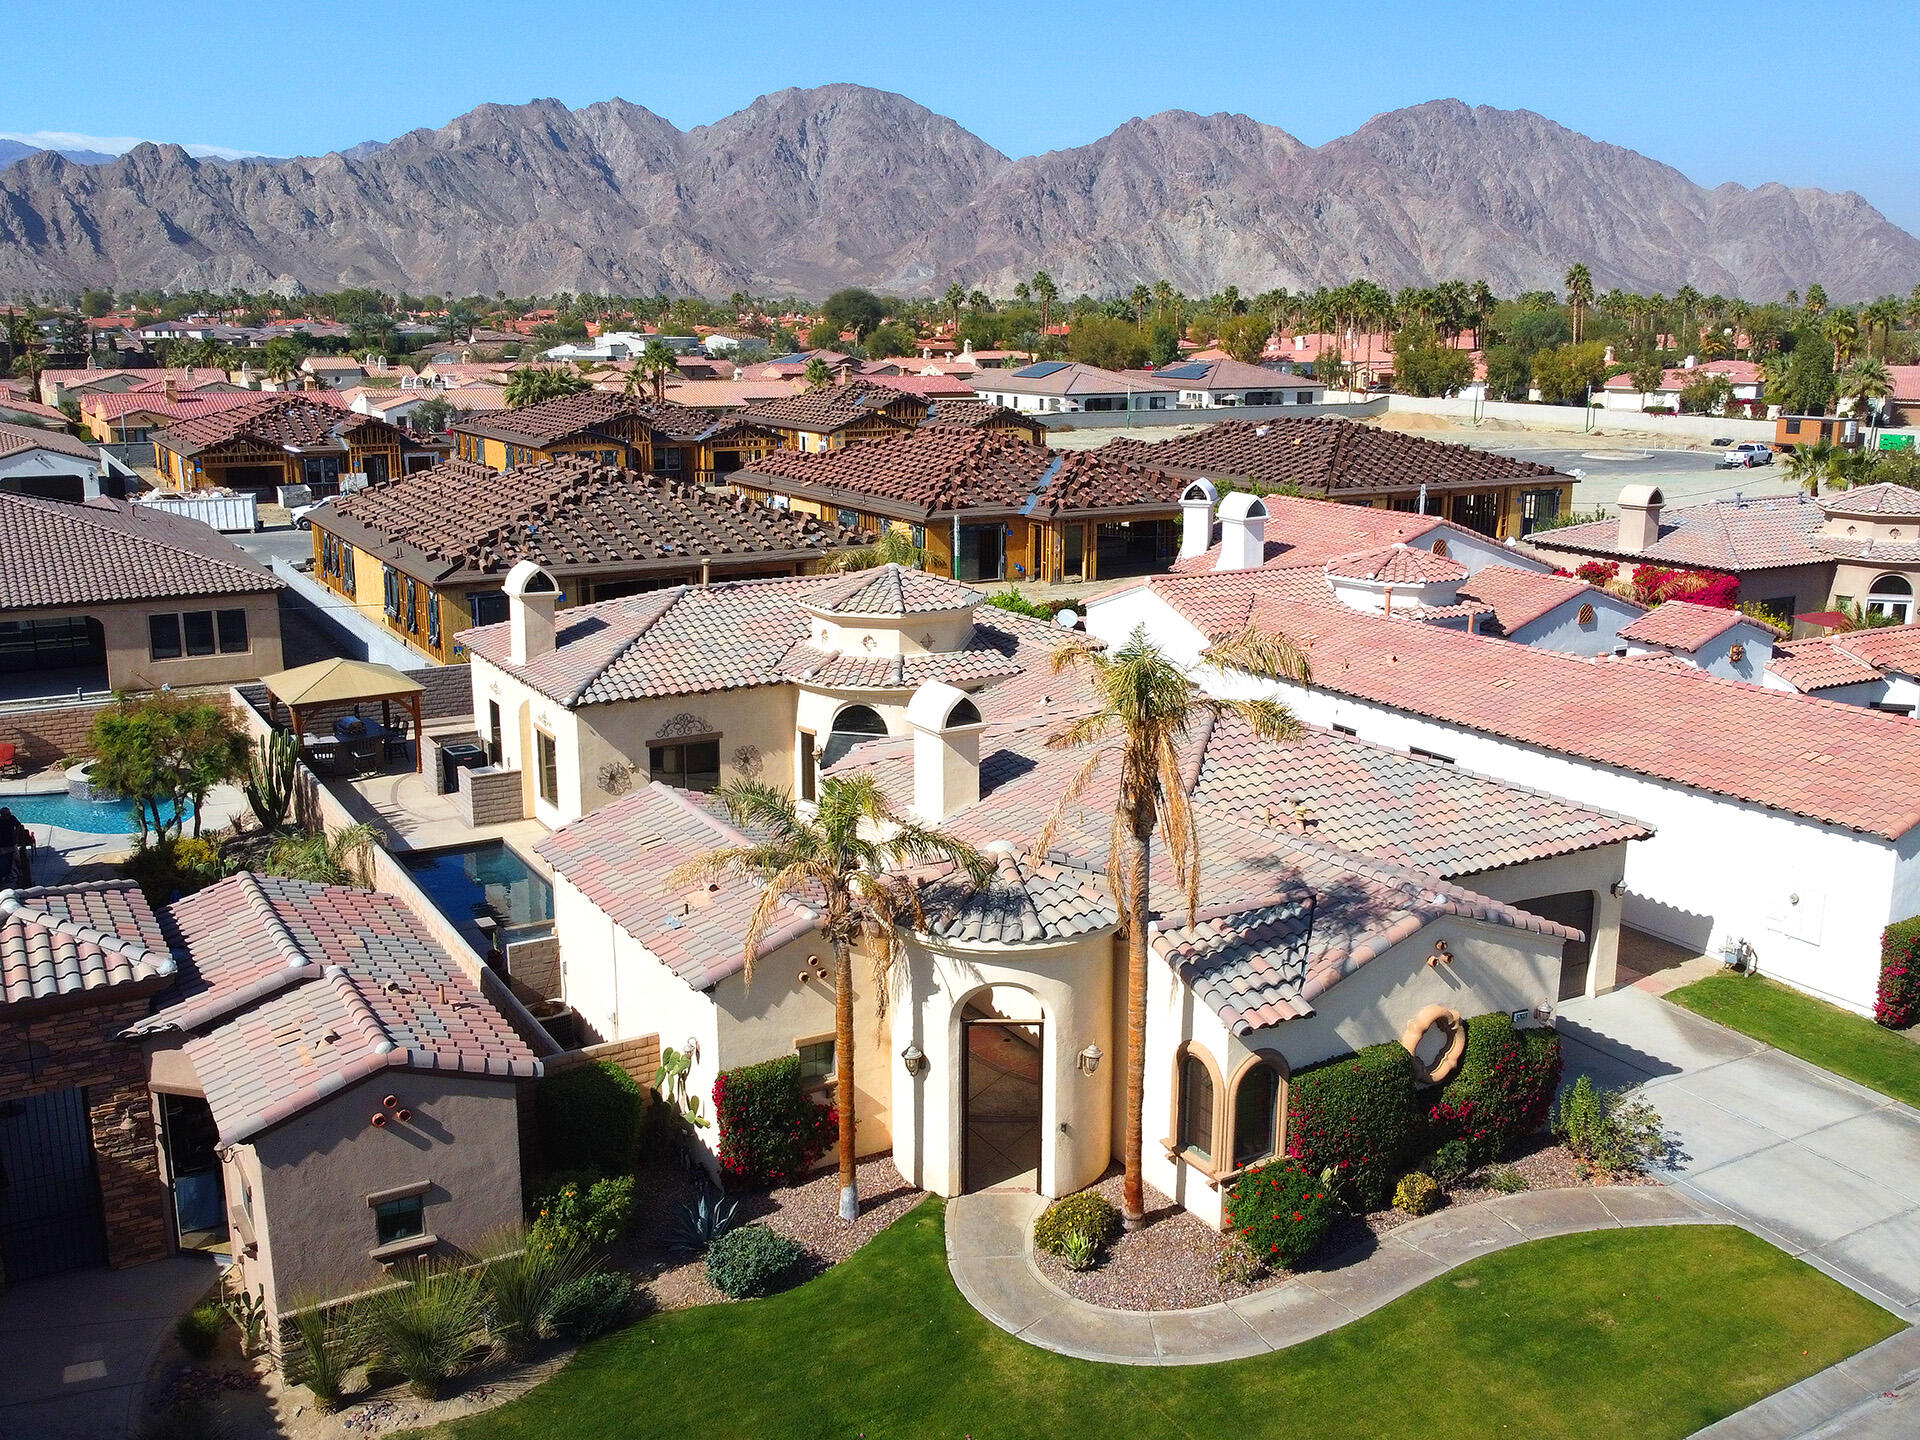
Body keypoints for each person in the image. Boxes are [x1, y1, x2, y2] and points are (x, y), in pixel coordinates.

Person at [0, 808, 33, 888]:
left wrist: (16, 835)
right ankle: (6, 876)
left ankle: (19, 873)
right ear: (2, 815)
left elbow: (19, 826)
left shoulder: (12, 818)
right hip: (2, 845)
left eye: (9, 814)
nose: (8, 816)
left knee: (17, 859)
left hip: (12, 843)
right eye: (6, 815)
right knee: (5, 861)